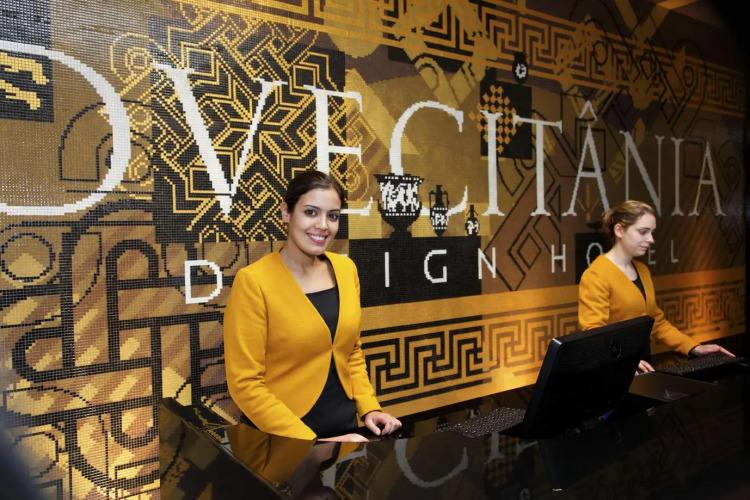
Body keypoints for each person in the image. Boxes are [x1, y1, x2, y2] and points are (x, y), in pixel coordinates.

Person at [224, 170, 401, 441]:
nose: (323, 225)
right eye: (311, 212)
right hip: (283, 440)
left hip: (346, 430)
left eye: (333, 216)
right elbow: (245, 384)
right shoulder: (253, 282)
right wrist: (316, 445)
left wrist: (369, 408)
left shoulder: (346, 269)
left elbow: (351, 352)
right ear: (286, 212)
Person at [578, 200, 733, 373]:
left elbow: (656, 322)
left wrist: (693, 347)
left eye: (651, 232)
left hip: (642, 364)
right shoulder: (596, 275)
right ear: (619, 230)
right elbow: (593, 333)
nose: (651, 239)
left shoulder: (642, 270)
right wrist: (623, 361)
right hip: (613, 370)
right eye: (643, 232)